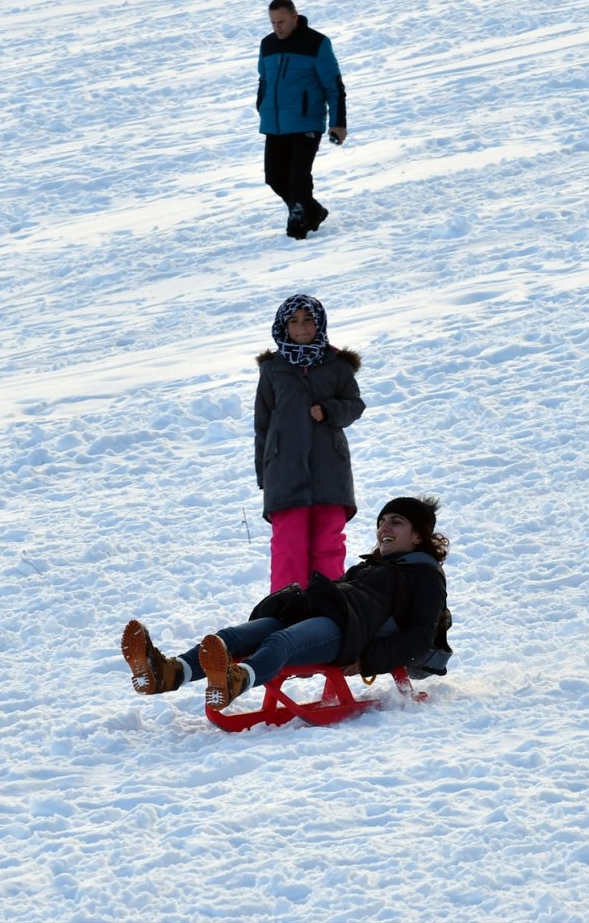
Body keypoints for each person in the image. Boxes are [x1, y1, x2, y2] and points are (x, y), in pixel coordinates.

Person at [120, 496, 449, 713]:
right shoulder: (370, 568)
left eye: (396, 522)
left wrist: (368, 660)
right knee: (232, 637)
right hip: (323, 615)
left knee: (281, 641)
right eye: (382, 521)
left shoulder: (424, 576)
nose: (384, 528)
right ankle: (167, 673)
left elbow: (420, 634)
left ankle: (237, 681)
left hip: (351, 635)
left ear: (417, 536)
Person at [255, 293, 364, 592]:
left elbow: (355, 405)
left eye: (308, 320)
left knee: (328, 547)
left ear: (320, 323)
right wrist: (264, 474)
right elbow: (262, 424)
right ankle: (283, 615)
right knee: (288, 549)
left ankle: (328, 618)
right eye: (293, 321)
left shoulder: (337, 365)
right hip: (284, 474)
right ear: (283, 326)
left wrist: (330, 410)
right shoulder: (272, 369)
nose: (301, 328)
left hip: (331, 473)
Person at [256, 0, 347, 240]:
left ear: (295, 17)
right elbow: (263, 80)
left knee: (298, 178)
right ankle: (312, 210)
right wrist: (261, 105)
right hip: (274, 124)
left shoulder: (317, 43)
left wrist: (338, 124)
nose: (278, 27)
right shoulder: (267, 44)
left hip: (306, 122)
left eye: (282, 22)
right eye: (273, 22)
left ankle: (299, 224)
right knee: (274, 177)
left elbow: (334, 86)